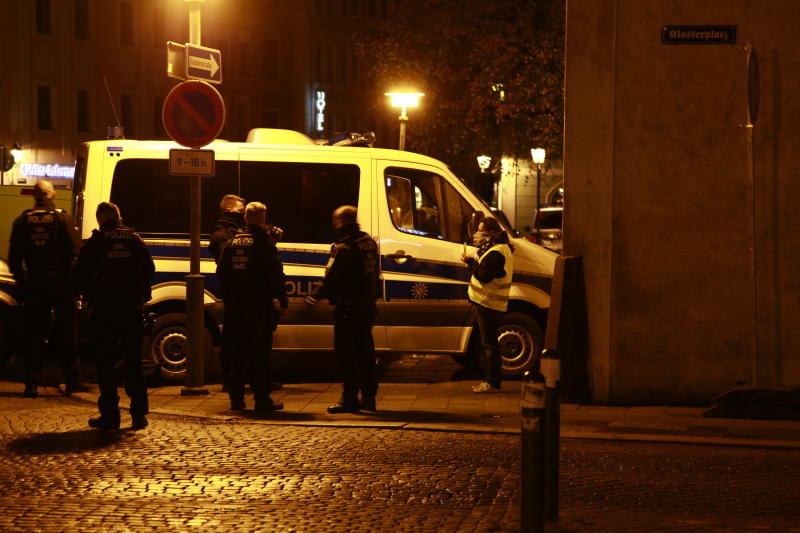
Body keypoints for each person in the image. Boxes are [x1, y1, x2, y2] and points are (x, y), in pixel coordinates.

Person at [75, 202, 155, 430]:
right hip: (131, 309)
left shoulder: (97, 242)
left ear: (100, 219)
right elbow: (150, 270)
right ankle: (139, 415)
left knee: (106, 364)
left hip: (105, 310)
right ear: (119, 217)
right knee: (133, 362)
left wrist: (89, 296)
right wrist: (141, 294)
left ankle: (110, 416)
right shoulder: (135, 240)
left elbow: (80, 273)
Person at [7, 179, 82, 398]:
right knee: (67, 333)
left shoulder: (22, 221)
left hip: (35, 284)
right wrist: (74, 284)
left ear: (35, 196)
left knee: (35, 335)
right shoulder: (62, 218)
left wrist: (23, 286)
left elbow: (14, 260)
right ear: (51, 195)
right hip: (61, 284)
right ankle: (71, 380)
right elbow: (76, 254)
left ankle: (31, 383)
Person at [308, 205, 379, 413]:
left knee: (347, 354)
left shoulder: (343, 246)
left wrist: (314, 296)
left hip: (348, 307)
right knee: (366, 353)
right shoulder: (368, 241)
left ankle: (349, 398)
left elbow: (332, 276)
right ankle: (369, 398)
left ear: (339, 222)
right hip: (366, 305)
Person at [216, 201, 287, 412]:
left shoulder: (232, 243)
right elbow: (275, 275)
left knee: (238, 353)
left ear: (246, 218)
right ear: (263, 218)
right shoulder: (264, 243)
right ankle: (262, 399)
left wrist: (229, 300)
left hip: (236, 307)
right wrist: (282, 301)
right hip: (259, 306)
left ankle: (236, 400)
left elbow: (222, 275)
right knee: (261, 355)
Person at [461, 216, 514, 393]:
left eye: (481, 231)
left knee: (490, 345)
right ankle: (492, 380)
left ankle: (492, 382)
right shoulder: (497, 248)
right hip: (487, 303)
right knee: (489, 343)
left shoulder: (496, 252)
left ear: (492, 233)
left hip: (489, 304)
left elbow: (484, 275)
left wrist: (470, 262)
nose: (477, 235)